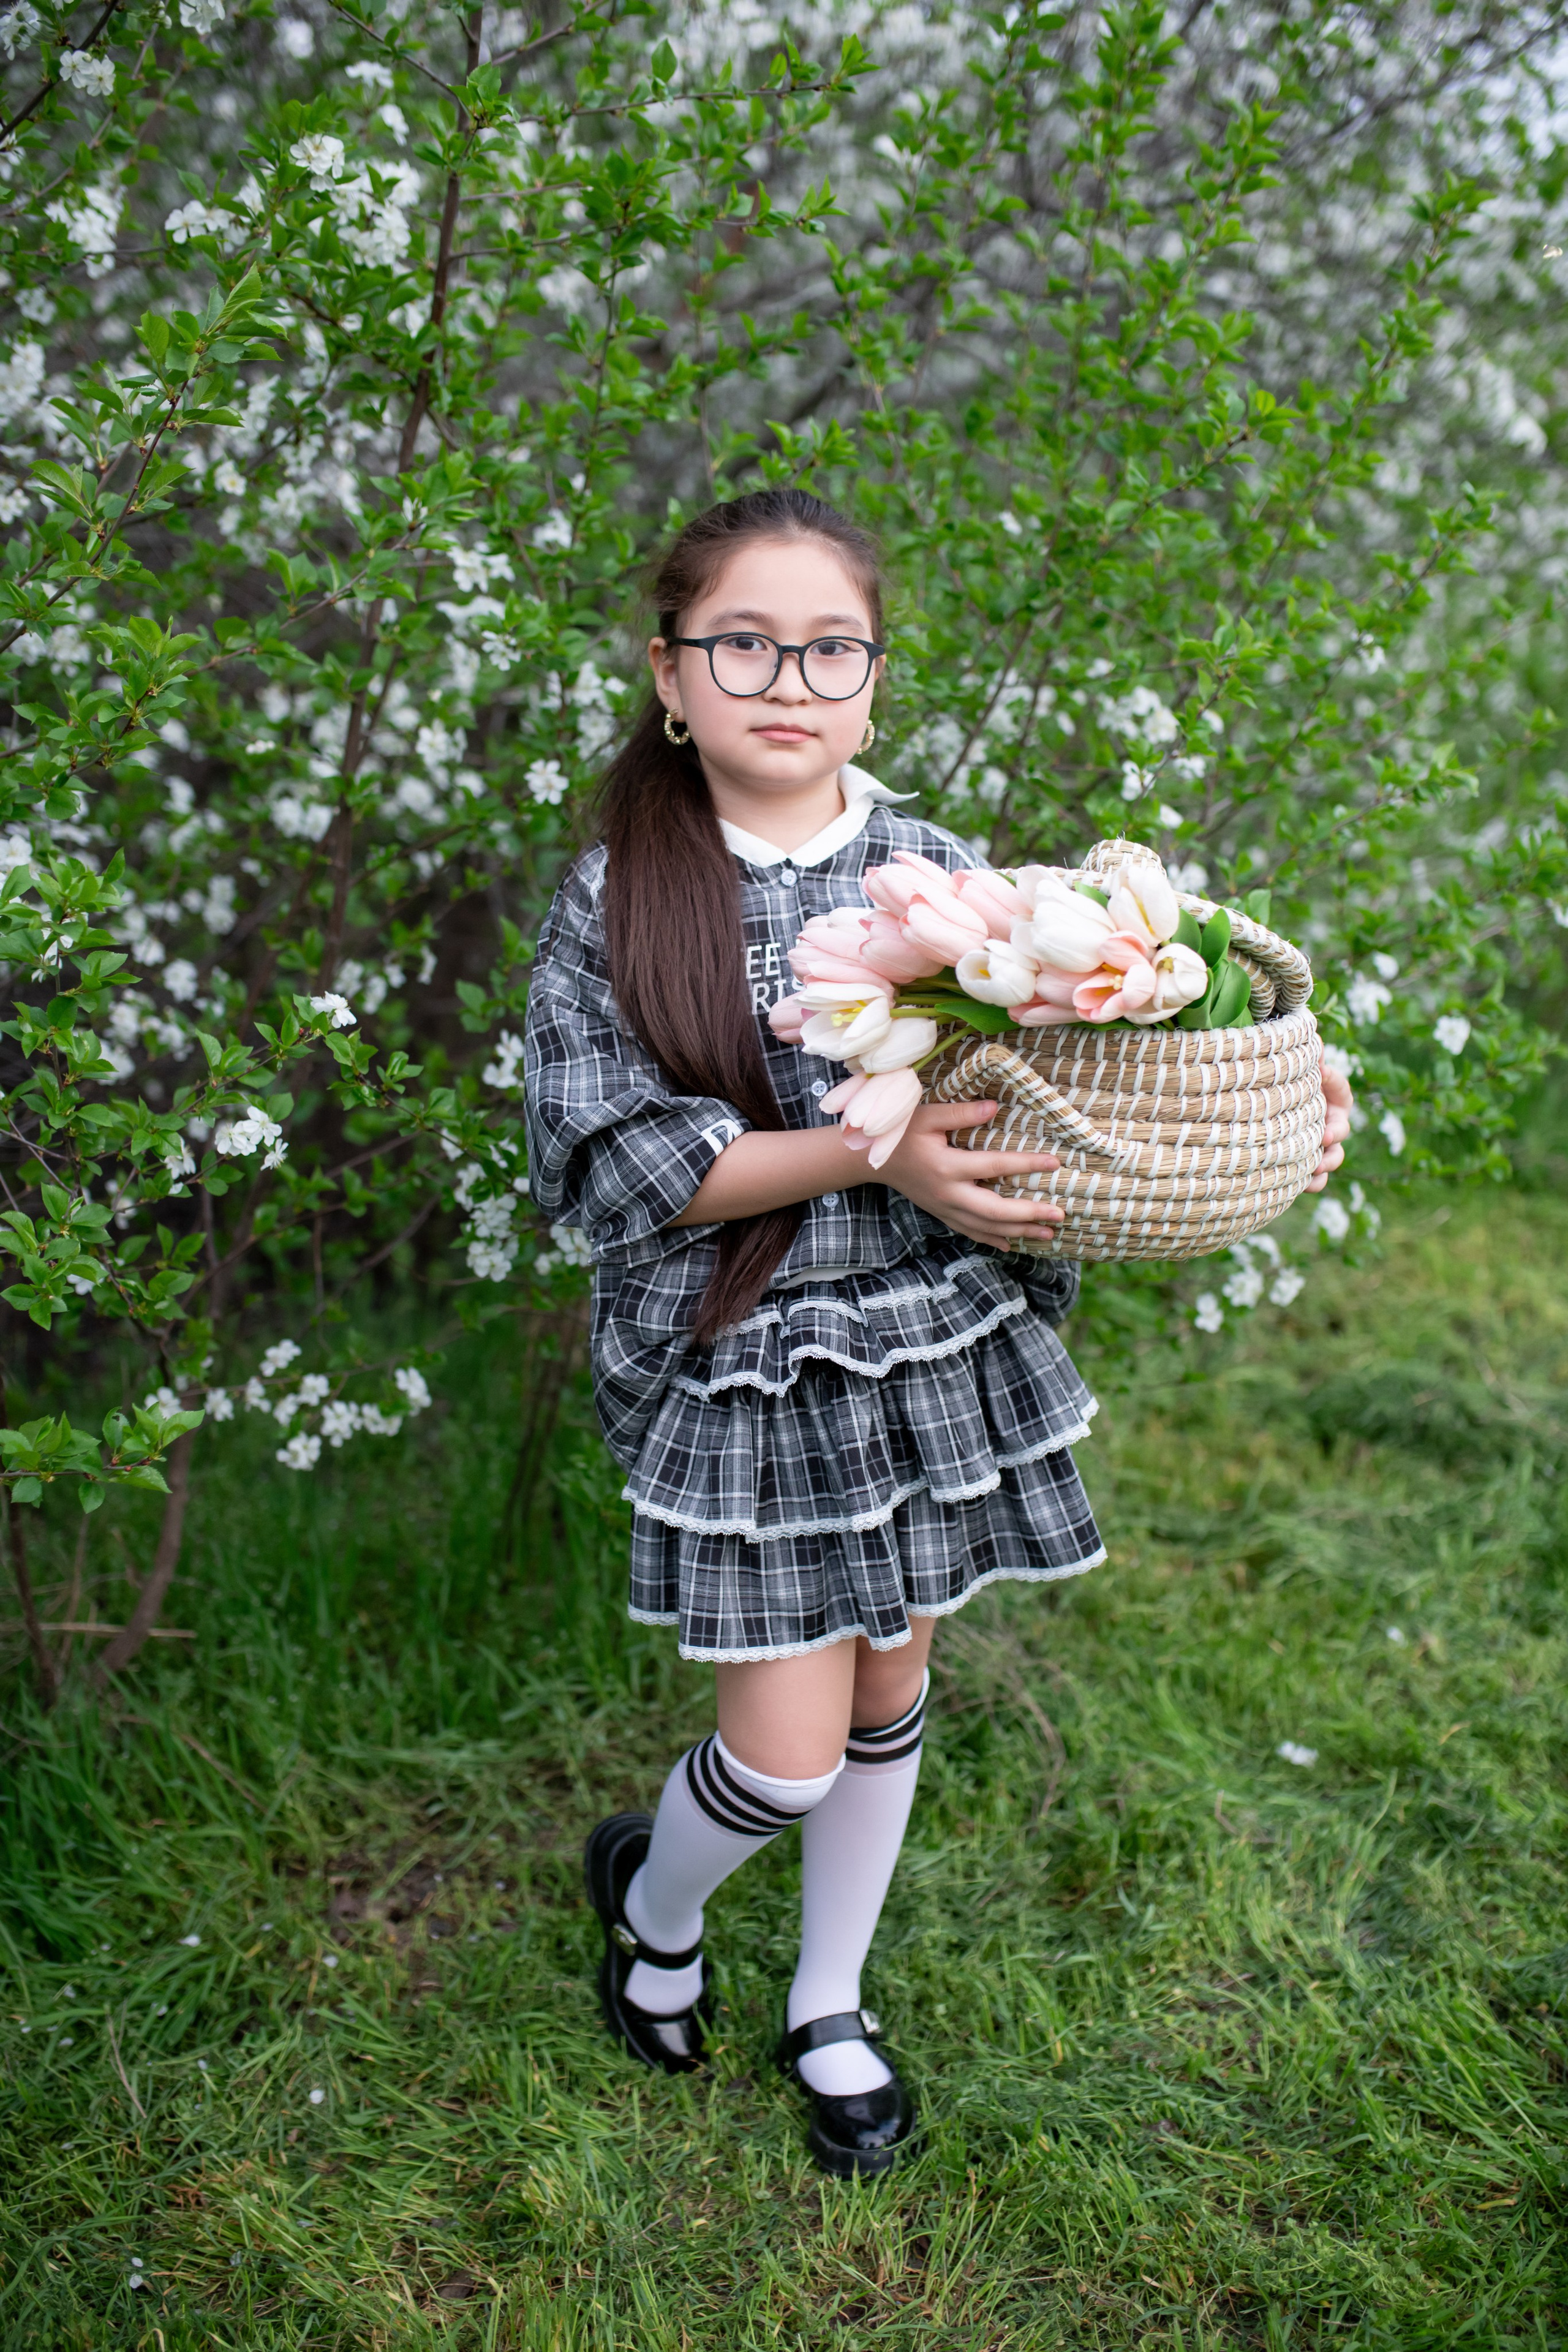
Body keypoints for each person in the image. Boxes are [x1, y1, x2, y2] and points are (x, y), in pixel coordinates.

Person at [522, 488, 1352, 2178]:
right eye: (743, 644)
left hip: (928, 1334)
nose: (789, 680)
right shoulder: (621, 896)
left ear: (874, 680)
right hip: (743, 1353)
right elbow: (611, 1167)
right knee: (782, 1755)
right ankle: (656, 1903)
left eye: (831, 648)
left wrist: (1264, 1085)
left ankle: (829, 1998)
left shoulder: (943, 875)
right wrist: (870, 1146)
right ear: (671, 675)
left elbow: (1083, 1052)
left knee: (893, 1680)